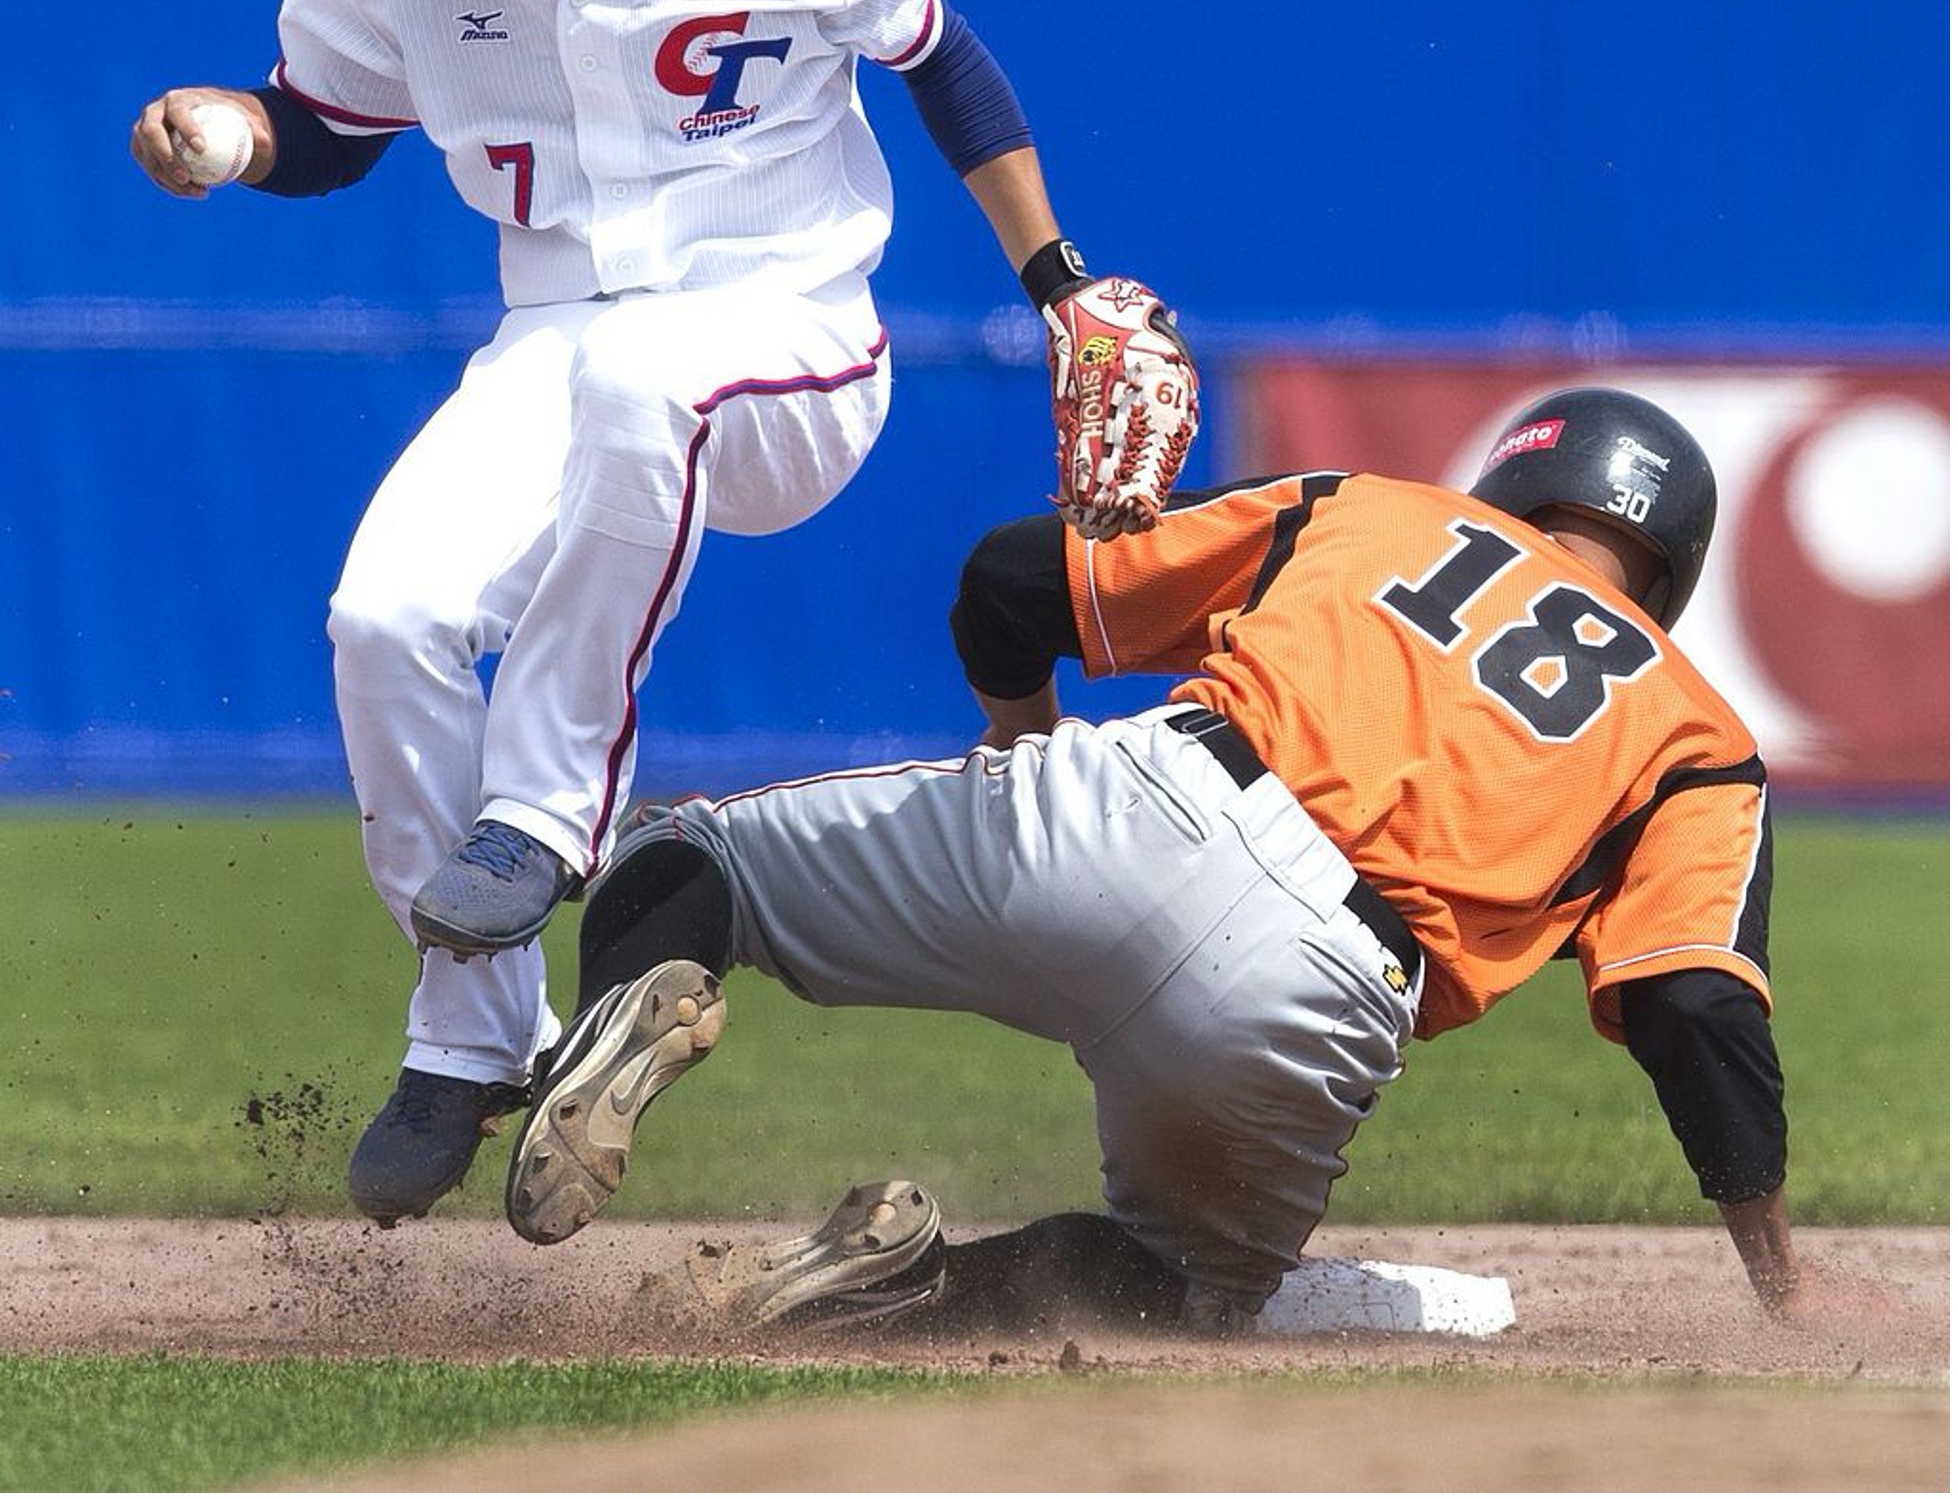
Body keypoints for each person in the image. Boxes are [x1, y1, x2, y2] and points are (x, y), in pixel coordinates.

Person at [129, 0, 1190, 1227]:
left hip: (788, 335)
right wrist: (223, 135)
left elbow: (941, 63)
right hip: (551, 335)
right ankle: (474, 1044)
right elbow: (325, 128)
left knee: (646, 380)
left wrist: (1054, 279)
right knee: (388, 621)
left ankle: (551, 813)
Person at [498, 385, 1823, 1337]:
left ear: (1507, 491)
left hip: (1138, 802)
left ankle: (624, 1020)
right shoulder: (1699, 741)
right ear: (1673, 576)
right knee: (1163, 1294)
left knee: (688, 860)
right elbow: (1691, 1005)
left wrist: (1021, 761)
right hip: (1321, 997)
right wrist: (1783, 1288)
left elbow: (1014, 579)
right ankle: (884, 1289)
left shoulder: (1373, 512)